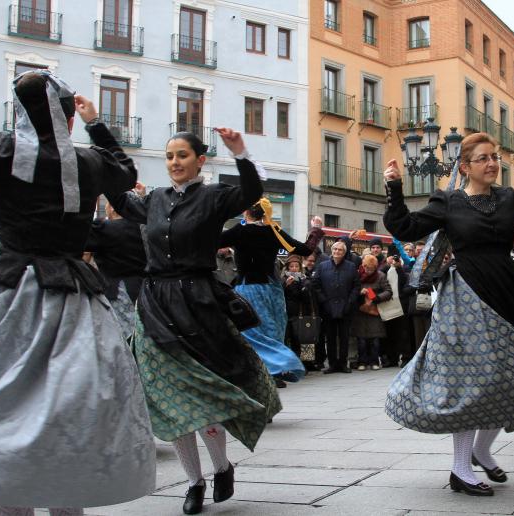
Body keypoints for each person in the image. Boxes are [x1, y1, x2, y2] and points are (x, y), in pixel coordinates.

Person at [0, 70, 155, 515]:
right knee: (72, 410)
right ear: (69, 119)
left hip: (9, 296)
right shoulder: (91, 161)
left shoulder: (2, 150)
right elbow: (127, 173)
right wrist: (97, 126)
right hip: (74, 299)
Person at [383, 131, 514, 496]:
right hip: (466, 297)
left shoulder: (509, 198)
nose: (493, 163)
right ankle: (461, 467)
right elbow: (404, 227)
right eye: (484, 158)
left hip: (508, 293)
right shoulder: (448, 201)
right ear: (464, 167)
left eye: (494, 156)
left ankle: (481, 449)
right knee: (470, 380)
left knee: (510, 374)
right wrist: (394, 187)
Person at [108, 129, 281, 515]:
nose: (174, 162)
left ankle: (221, 467)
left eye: (182, 155)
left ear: (200, 160)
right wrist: (99, 132)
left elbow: (251, 192)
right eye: (169, 156)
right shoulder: (153, 200)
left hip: (199, 305)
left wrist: (241, 151)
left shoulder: (214, 197)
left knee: (201, 397)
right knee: (172, 403)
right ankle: (193, 481)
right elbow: (117, 193)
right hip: (153, 306)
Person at [220, 198, 322, 387]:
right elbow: (305, 249)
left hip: (247, 288)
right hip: (271, 289)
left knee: (251, 330)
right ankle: (276, 369)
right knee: (273, 328)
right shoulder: (273, 231)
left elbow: (214, 240)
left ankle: (261, 371)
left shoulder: (239, 231)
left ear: (246, 213)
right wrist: (315, 229)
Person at [85, 197, 147, 340]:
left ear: (113, 208)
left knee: (119, 336)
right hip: (142, 288)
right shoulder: (142, 228)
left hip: (116, 290)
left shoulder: (104, 229)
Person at [312, 240, 360, 374]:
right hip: (328, 307)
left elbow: (356, 286)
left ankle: (343, 364)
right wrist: (324, 301)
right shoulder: (322, 266)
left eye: (340, 250)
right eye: (335, 249)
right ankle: (332, 364)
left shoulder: (351, 266)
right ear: (331, 251)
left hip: (346, 307)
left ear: (344, 253)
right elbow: (316, 285)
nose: (337, 252)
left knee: (344, 337)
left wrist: (350, 302)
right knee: (331, 337)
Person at [352, 254, 392, 370]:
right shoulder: (357, 275)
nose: (368, 271)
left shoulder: (381, 276)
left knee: (375, 339)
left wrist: (377, 297)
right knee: (361, 339)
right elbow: (351, 288)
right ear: (363, 266)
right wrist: (360, 291)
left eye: (371, 269)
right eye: (366, 268)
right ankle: (362, 362)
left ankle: (374, 361)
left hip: (374, 310)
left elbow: (388, 291)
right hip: (360, 310)